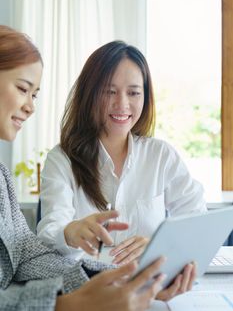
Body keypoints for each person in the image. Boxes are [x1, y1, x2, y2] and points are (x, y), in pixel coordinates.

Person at [0, 25, 167, 311]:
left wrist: (120, 280)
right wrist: (67, 305)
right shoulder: (62, 159)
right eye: (23, 89)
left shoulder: (1, 175)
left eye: (35, 95)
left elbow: (25, 254)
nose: (30, 107)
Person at [37, 40, 203, 300]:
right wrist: (71, 232)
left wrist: (160, 247)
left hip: (153, 296)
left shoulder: (161, 156)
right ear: (89, 95)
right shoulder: (62, 160)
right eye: (109, 91)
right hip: (88, 297)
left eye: (134, 92)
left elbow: (196, 220)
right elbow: (49, 232)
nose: (122, 103)